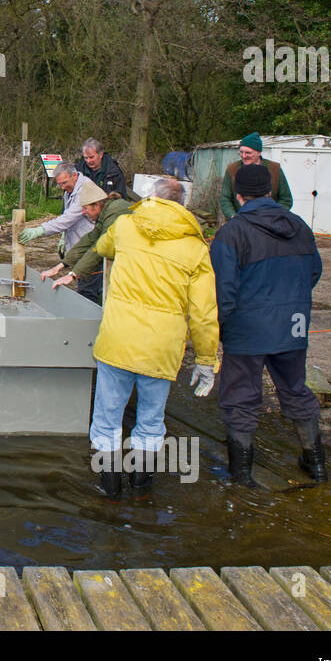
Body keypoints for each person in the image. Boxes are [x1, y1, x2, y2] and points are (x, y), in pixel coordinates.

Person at [88, 178, 219, 499]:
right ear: (182, 206)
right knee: (150, 423)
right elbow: (203, 313)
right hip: (161, 349)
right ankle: (141, 491)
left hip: (117, 340)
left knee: (107, 420)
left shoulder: (125, 226)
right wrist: (206, 360)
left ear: (151, 198)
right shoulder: (196, 248)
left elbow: (103, 247)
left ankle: (109, 491)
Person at [210, 163, 326, 486]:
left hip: (248, 328)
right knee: (295, 390)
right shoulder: (300, 226)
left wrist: (220, 326)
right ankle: (316, 463)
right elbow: (313, 272)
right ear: (270, 192)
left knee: (240, 397)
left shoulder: (232, 232)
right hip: (294, 325)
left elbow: (224, 287)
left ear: (238, 195)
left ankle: (241, 475)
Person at [39, 183, 133, 306]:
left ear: (97, 205)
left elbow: (99, 247)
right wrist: (60, 266)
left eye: (85, 208)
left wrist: (73, 274)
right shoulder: (106, 212)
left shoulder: (114, 213)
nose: (83, 212)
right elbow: (89, 239)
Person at [20, 163, 98, 299]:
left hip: (90, 247)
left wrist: (41, 230)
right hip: (80, 247)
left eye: (64, 183)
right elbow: (67, 215)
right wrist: (64, 236)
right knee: (83, 287)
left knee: (88, 292)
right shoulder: (71, 189)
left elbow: (68, 218)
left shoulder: (85, 190)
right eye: (60, 184)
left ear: (74, 176)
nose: (62, 187)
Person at [220, 132, 293, 220]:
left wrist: (274, 216)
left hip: (270, 224)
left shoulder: (275, 169)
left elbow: (286, 199)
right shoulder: (232, 169)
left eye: (248, 153)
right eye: (241, 152)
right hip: (241, 222)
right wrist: (233, 216)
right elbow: (225, 198)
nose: (243, 156)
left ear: (259, 152)